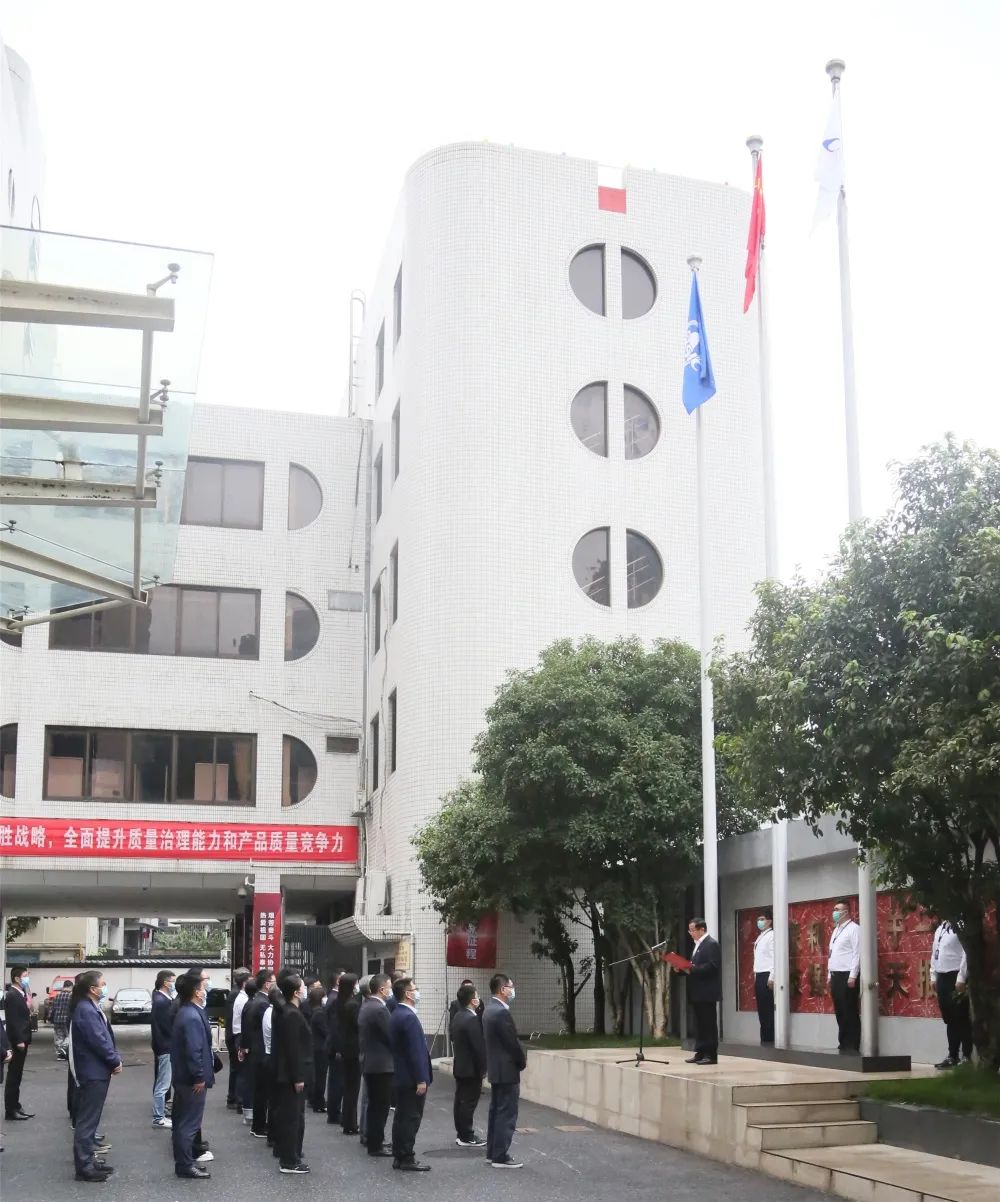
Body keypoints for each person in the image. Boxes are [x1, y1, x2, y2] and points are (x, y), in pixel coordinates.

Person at [67, 970, 122, 1182]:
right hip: (92, 1072)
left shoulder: (89, 1007)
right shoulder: (85, 1009)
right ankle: (84, 1167)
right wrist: (114, 1060)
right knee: (87, 1122)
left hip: (96, 1070)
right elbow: (98, 1040)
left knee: (91, 1120)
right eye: (102, 984)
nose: (105, 987)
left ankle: (89, 1159)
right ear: (92, 989)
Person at [170, 972, 215, 1179]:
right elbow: (194, 1050)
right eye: (203, 987)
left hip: (185, 1077)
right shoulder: (190, 1015)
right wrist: (199, 1077)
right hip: (191, 1080)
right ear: (197, 992)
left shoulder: (189, 1011)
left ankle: (186, 1162)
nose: (205, 990)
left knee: (185, 1122)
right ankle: (185, 1165)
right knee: (188, 1124)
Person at [482, 972, 526, 1169]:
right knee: (506, 1113)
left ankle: (492, 1152)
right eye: (511, 986)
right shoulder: (501, 1012)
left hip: (496, 1068)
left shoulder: (489, 1009)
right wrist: (521, 1062)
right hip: (507, 1069)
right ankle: (500, 1155)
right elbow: (512, 1043)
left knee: (496, 1112)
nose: (513, 990)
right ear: (502, 989)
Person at [389, 977, 431, 1171]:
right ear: (407, 994)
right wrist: (421, 1079)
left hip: (401, 1075)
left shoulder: (397, 1014)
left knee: (401, 1117)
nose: (417, 992)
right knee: (410, 1118)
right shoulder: (408, 1017)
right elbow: (416, 1052)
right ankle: (406, 1156)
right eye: (415, 989)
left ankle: (399, 1155)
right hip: (410, 1078)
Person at [272, 974, 312, 1174]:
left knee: (290, 1116)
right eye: (303, 987)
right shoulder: (291, 1014)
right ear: (296, 992)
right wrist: (298, 1077)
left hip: (286, 1073)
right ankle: (289, 1161)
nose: (305, 990)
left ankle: (288, 1154)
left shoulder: (287, 1011)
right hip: (291, 1074)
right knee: (292, 1118)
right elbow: (293, 1049)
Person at [359, 972, 394, 1158]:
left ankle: (374, 1141)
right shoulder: (380, 1009)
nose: (390, 991)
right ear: (381, 989)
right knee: (380, 1107)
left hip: (370, 1062)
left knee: (374, 1105)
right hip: (381, 1065)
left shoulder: (367, 1005)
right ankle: (376, 1144)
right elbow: (391, 1036)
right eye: (389, 987)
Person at [931, 920, 973, 1068]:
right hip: (942, 975)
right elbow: (935, 952)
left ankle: (966, 1056)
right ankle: (952, 1055)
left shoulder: (961, 925)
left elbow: (966, 952)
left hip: (955, 975)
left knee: (961, 1016)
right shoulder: (941, 927)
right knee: (949, 1018)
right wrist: (933, 975)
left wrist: (961, 977)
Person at [451, 982, 487, 1148]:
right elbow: (478, 1047)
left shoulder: (459, 1016)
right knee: (468, 1102)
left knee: (460, 1101)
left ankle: (462, 1133)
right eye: (477, 996)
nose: (479, 999)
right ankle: (467, 1135)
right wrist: (483, 1068)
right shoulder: (472, 1019)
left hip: (460, 1065)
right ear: (473, 1001)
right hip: (471, 1069)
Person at [684, 918, 721, 1066]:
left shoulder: (711, 944)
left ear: (702, 929)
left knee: (708, 1024)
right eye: (690, 930)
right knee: (699, 1024)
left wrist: (692, 969)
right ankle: (700, 1052)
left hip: (707, 991)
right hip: (697, 991)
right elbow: (694, 966)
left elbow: (712, 966)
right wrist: (682, 969)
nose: (691, 933)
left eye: (693, 930)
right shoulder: (697, 945)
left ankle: (710, 1054)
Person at [241, 969, 274, 1136]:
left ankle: (258, 1125)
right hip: (261, 1050)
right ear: (267, 984)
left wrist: (244, 1046)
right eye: (273, 982)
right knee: (263, 1091)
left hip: (255, 1049)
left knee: (260, 1090)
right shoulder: (263, 1003)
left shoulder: (254, 1000)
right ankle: (260, 1126)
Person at [827, 899, 861, 1053]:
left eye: (837, 909)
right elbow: (831, 954)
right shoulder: (836, 930)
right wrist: (829, 974)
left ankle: (852, 1044)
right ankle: (843, 1042)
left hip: (847, 975)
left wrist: (853, 975)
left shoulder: (854, 929)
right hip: (836, 974)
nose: (834, 912)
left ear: (846, 912)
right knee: (839, 1010)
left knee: (849, 1009)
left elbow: (857, 953)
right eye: (834, 909)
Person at [3, 967, 34, 1121]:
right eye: (25, 976)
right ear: (17, 978)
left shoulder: (20, 994)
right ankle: (11, 1110)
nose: (27, 978)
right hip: (18, 1041)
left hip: (23, 1039)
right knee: (13, 1077)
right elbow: (13, 1020)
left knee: (18, 1075)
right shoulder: (12, 995)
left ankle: (16, 1105)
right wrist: (19, 1040)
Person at [337, 973, 362, 1135]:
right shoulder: (353, 1004)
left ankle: (347, 1120)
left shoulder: (341, 1001)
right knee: (353, 1088)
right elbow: (358, 1025)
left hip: (345, 1048)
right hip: (353, 1050)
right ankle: (350, 1124)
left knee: (348, 1087)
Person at [151, 970, 176, 1129]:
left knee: (164, 1082)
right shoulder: (161, 1001)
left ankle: (160, 1114)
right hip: (166, 1046)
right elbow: (167, 1027)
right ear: (165, 983)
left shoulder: (163, 999)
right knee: (163, 1084)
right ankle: (159, 1116)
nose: (174, 984)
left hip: (164, 1045)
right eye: (172, 981)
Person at [224, 968, 250, 1109]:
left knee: (236, 1068)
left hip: (232, 1034)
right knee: (238, 1069)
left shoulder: (235, 992)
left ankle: (233, 1097)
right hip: (234, 1035)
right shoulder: (237, 995)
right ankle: (234, 1098)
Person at [752, 909, 775, 1045]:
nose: (759, 922)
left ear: (769, 921)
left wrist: (772, 977)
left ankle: (769, 1038)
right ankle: (764, 1038)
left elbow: (774, 957)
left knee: (767, 1009)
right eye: (758, 919)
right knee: (762, 1009)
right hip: (759, 974)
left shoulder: (772, 935)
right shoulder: (761, 936)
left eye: (762, 919)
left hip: (767, 974)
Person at [324, 971, 344, 1122]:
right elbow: (335, 1027)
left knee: (335, 1080)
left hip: (332, 1045)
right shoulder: (335, 999)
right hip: (335, 1047)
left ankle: (334, 1111)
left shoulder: (333, 997)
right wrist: (338, 1048)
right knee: (337, 1081)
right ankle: (334, 1113)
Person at [307, 984, 328, 1112]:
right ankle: (319, 1102)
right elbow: (325, 1031)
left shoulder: (314, 1010)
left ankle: (316, 1100)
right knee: (320, 1077)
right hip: (320, 1048)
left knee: (318, 1076)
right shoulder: (319, 1013)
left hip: (315, 1047)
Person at [50, 979, 74, 1060]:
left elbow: (52, 1008)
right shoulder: (72, 997)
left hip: (57, 1020)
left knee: (59, 1037)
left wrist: (50, 1018)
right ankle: (63, 1049)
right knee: (69, 1036)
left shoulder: (57, 996)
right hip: (67, 1020)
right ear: (71, 987)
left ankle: (60, 1054)